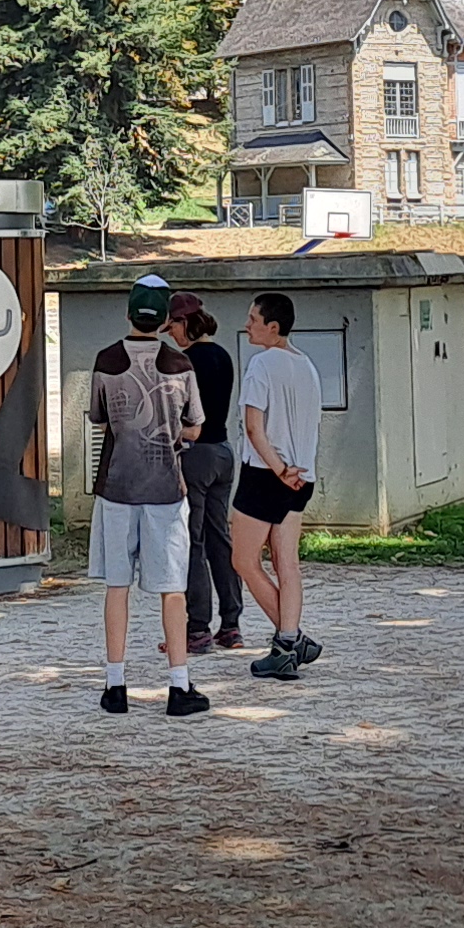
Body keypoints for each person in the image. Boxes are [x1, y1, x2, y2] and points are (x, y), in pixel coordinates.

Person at [83, 275, 208, 716]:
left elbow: (100, 418)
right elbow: (195, 425)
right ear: (164, 320)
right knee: (172, 588)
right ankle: (179, 685)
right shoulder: (180, 365)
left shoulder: (106, 360)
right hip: (166, 491)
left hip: (116, 488)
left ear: (129, 313)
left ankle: (116, 685)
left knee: (118, 586)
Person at [233, 292, 325, 681]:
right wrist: (292, 470)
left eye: (254, 319)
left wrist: (278, 467)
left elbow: (254, 427)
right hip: (302, 475)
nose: (248, 324)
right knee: (287, 563)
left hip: (267, 473)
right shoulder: (307, 366)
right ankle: (288, 641)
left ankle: (290, 641)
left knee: (244, 561)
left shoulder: (261, 364)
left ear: (274, 327)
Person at [165, 292, 246, 655]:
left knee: (192, 542)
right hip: (224, 453)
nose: (170, 335)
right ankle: (231, 624)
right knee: (220, 540)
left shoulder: (184, 362)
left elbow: (181, 415)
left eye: (173, 327)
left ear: (187, 323)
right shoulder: (224, 356)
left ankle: (197, 627)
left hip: (195, 456)